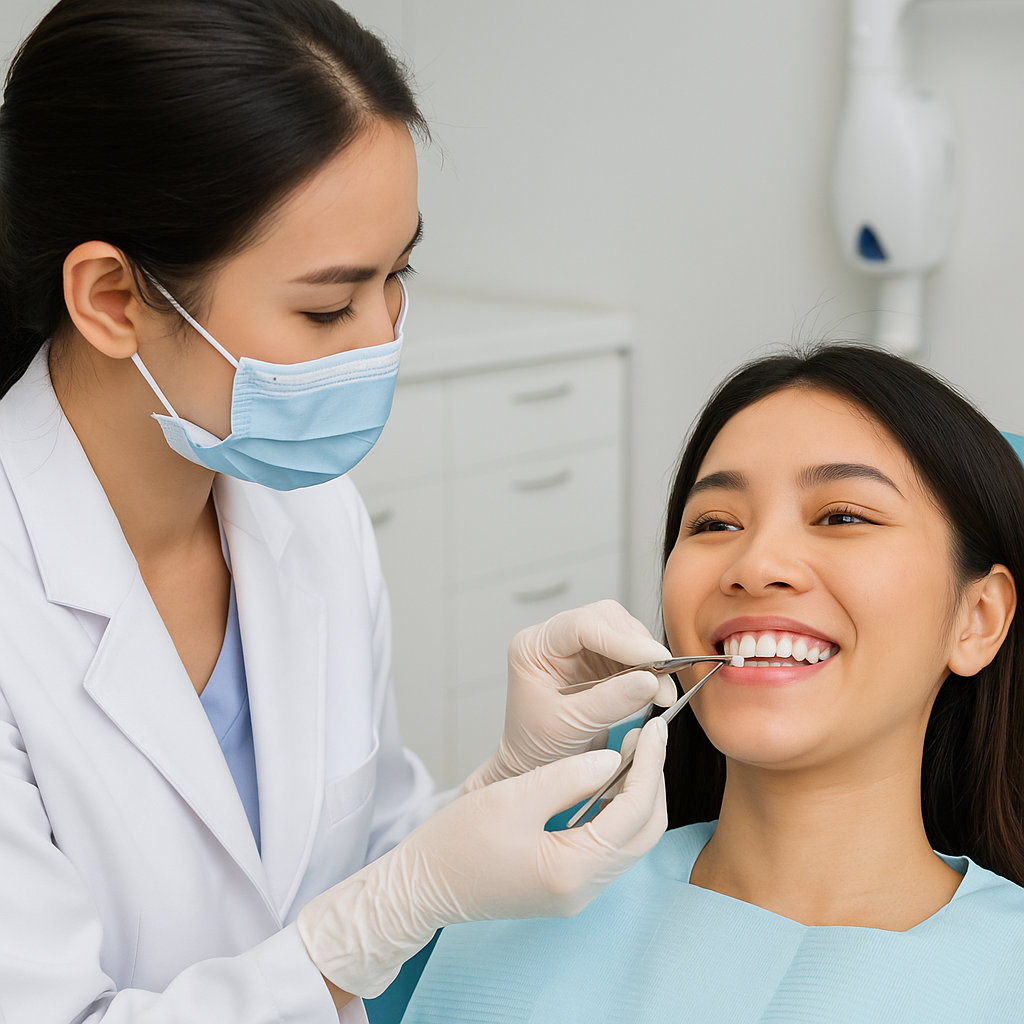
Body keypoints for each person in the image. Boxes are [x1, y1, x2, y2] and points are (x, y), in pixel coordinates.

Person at [0, 3, 677, 1021]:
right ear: (111, 297)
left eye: (397, 276)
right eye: (328, 305)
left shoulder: (308, 515)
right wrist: (383, 911)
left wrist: (508, 777)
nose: (379, 344)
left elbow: (365, 878)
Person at [401, 344, 1024, 1023]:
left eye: (842, 516)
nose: (755, 564)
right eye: (715, 524)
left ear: (978, 618)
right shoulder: (525, 891)